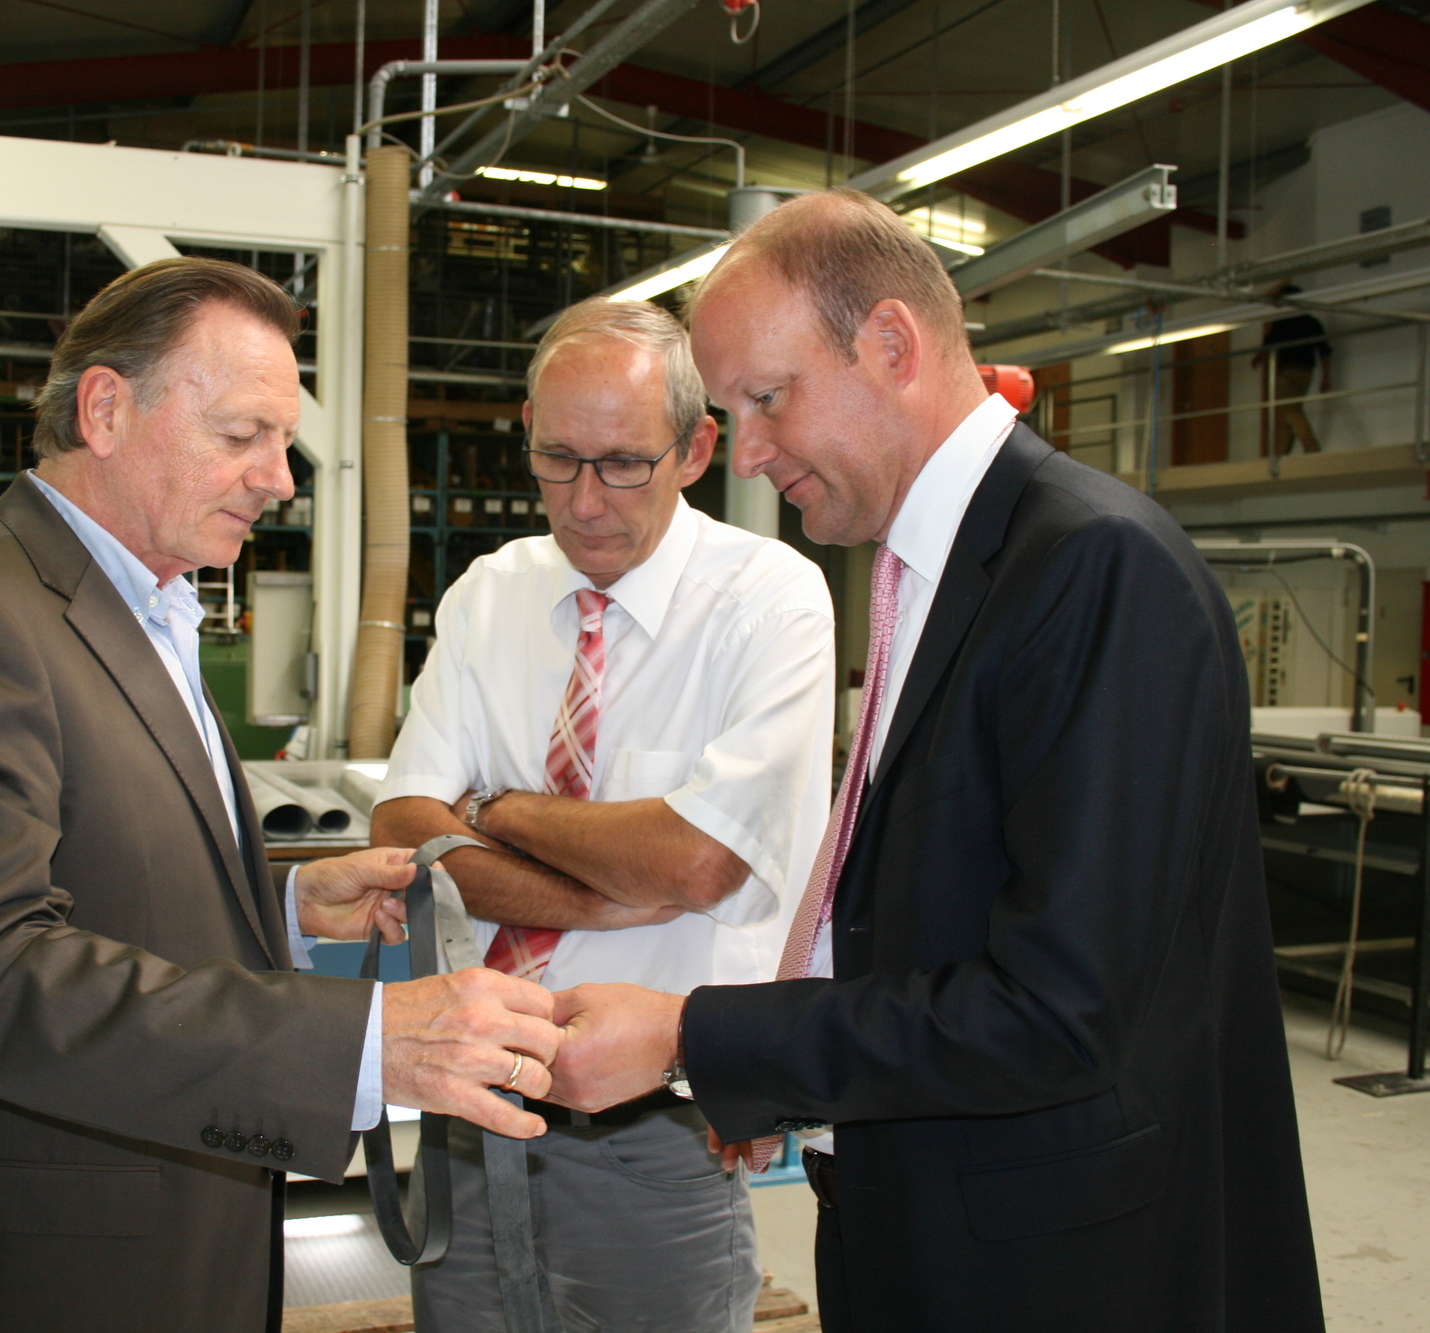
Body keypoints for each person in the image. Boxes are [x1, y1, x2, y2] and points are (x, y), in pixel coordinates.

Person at [547, 192, 1325, 1333]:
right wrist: (790, 1079)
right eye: (731, 410)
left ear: (893, 347)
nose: (748, 455)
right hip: (924, 1215)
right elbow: (919, 907)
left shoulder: (1088, 569)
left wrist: (693, 1036)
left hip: (1053, 1265)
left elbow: (1056, 1008)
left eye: (767, 399)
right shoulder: (934, 569)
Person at [0, 257, 562, 1333]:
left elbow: (104, 885)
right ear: (106, 409)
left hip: (161, 1236)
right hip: (32, 1272)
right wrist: (360, 1042)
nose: (279, 479)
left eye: (281, 441)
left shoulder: (148, 606)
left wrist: (281, 916)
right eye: (239, 435)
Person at [370, 298, 835, 1333]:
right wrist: (608, 888)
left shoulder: (769, 604)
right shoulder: (490, 594)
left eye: (622, 462)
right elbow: (402, 825)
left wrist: (493, 809)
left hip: (658, 1121)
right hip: (470, 1090)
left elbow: (700, 862)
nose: (582, 501)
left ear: (695, 447)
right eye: (556, 457)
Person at [1253, 283, 1333, 457]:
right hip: (1306, 372)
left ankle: (1311, 447)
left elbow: (1268, 344)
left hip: (1287, 371)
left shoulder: (1282, 322)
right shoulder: (1312, 322)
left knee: (1290, 410)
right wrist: (1326, 376)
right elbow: (1324, 351)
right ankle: (1281, 454)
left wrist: (1258, 358)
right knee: (1287, 411)